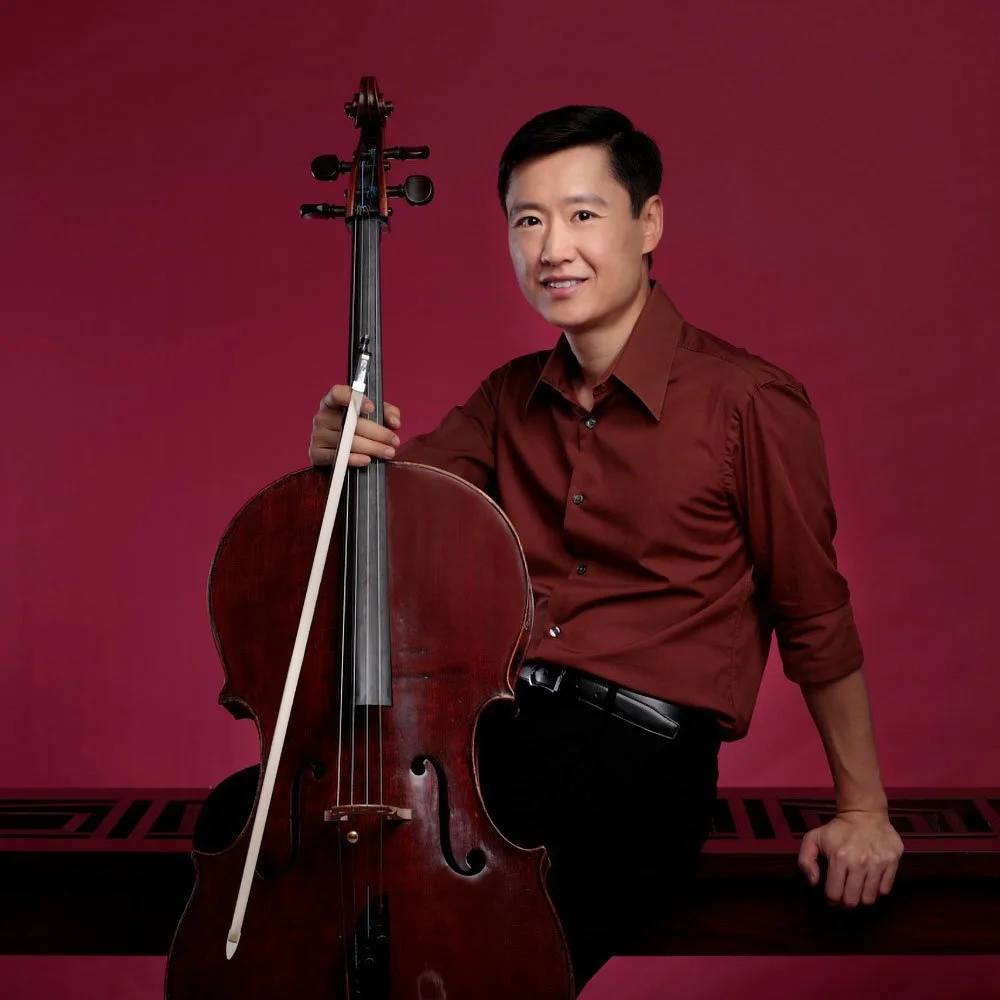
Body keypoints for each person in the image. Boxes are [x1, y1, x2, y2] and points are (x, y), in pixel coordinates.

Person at [308, 105, 904, 990]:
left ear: (648, 222)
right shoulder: (508, 398)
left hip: (637, 760)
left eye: (583, 214)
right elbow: (394, 509)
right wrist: (340, 458)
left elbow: (812, 610)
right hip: (499, 733)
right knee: (274, 835)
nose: (554, 249)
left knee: (466, 964)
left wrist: (862, 808)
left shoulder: (747, 402)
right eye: (528, 221)